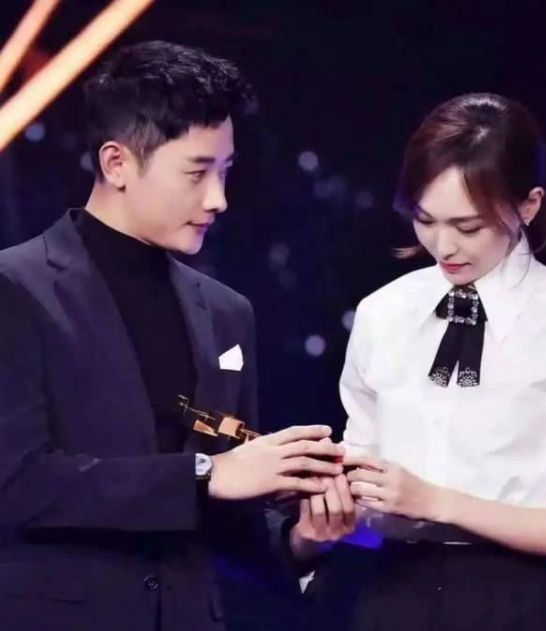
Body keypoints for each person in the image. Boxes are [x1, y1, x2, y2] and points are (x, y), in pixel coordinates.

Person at [0, 40, 345, 631]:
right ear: (116, 163)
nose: (218, 199)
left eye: (225, 171)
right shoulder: (15, 289)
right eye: (196, 173)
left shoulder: (227, 313)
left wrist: (303, 539)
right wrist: (207, 475)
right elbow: (17, 482)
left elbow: (223, 515)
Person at [306, 93, 546, 630]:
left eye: (468, 227)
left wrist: (439, 502)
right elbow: (365, 506)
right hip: (390, 596)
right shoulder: (384, 312)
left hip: (522, 602)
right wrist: (330, 505)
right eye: (425, 220)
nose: (443, 247)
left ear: (528, 206)